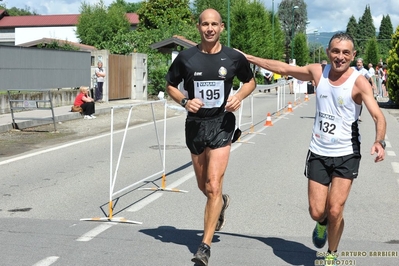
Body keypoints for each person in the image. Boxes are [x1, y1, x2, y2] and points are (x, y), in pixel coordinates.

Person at [237, 32, 386, 263]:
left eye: (346, 52)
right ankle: (322, 223)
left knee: (336, 209)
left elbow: (378, 116)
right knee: (318, 211)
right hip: (318, 151)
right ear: (328, 52)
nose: (340, 57)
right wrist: (248, 57)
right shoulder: (318, 72)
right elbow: (284, 68)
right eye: (335, 51)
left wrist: (379, 140)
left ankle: (332, 255)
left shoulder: (359, 82)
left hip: (347, 154)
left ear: (353, 55)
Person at [165, 8, 256, 266]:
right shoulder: (186, 58)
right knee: (204, 187)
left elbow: (250, 82)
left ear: (222, 27)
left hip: (222, 125)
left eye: (214, 24)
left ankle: (204, 247)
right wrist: (184, 101)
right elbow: (170, 84)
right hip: (195, 125)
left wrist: (239, 95)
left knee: (214, 185)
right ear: (198, 27)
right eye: (205, 24)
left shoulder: (234, 57)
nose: (209, 29)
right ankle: (221, 203)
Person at [352, 58, 376, 122]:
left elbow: (370, 77)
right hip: (352, 88)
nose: (359, 64)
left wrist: (373, 84)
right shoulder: (352, 69)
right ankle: (352, 114)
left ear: (362, 64)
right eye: (358, 62)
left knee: (359, 102)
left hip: (360, 89)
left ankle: (358, 115)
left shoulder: (364, 71)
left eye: (360, 62)